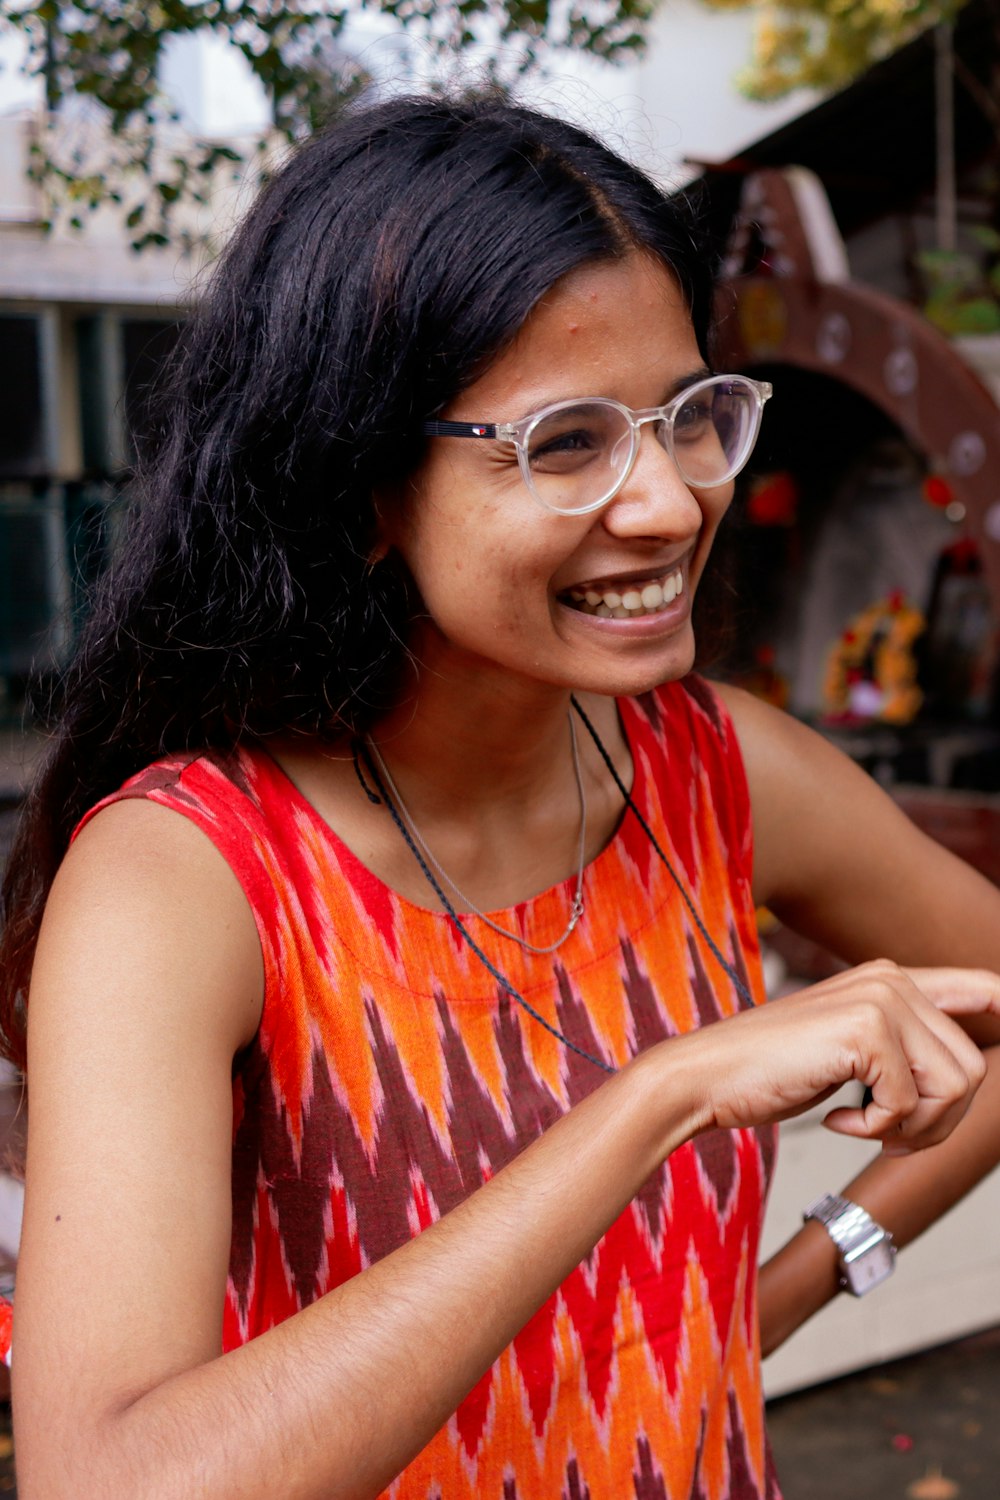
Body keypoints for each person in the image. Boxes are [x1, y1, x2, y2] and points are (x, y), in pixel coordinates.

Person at [2, 93, 999, 1500]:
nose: (665, 501)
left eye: (684, 415)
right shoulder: (186, 879)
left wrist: (788, 1285)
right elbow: (106, 1482)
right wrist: (655, 1099)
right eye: (571, 442)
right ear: (360, 484)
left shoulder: (713, 772)